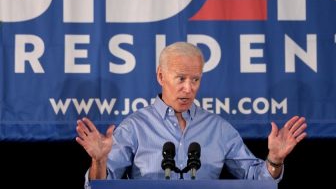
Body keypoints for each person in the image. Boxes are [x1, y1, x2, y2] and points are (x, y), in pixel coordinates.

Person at [76, 41, 307, 187]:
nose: (189, 88)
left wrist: (275, 160)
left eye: (195, 79)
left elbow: (258, 181)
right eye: (181, 79)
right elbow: (99, 186)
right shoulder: (134, 127)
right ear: (160, 76)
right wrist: (99, 160)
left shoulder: (218, 128)